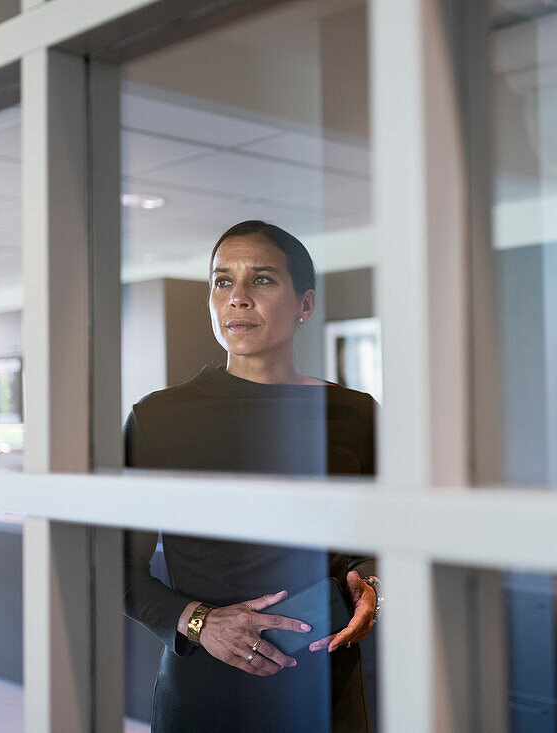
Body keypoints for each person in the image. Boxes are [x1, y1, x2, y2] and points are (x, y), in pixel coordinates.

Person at [123, 221, 379, 732]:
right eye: (222, 281)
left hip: (325, 692)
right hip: (204, 695)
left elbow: (379, 539)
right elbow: (111, 569)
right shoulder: (157, 419)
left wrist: (372, 585)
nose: (237, 297)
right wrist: (200, 622)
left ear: (305, 304)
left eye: (261, 279)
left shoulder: (355, 414)